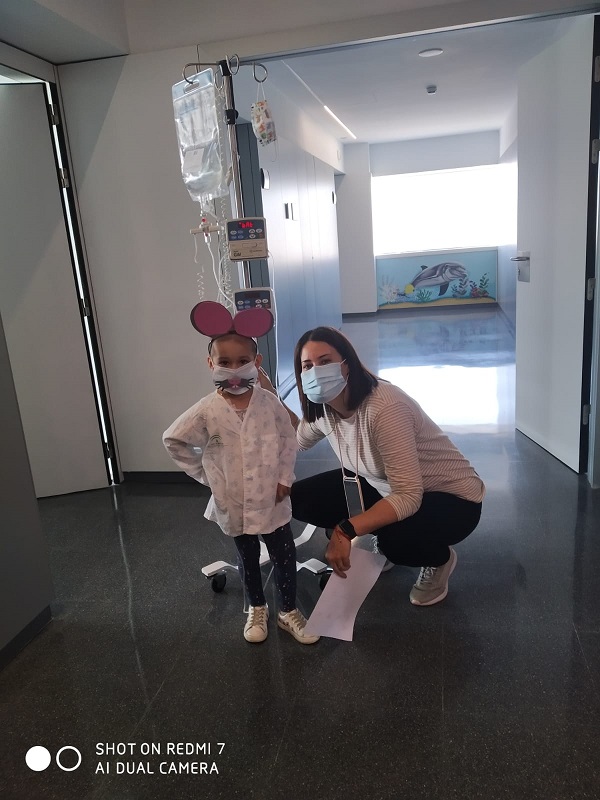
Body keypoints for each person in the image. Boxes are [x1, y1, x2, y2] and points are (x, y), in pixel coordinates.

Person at [262, 326, 485, 607]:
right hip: (382, 484)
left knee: (395, 543)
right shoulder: (325, 407)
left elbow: (409, 495)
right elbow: (297, 438)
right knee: (299, 499)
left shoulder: (385, 407)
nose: (316, 371)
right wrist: (267, 394)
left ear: (347, 364)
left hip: (450, 498)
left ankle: (438, 559)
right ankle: (389, 530)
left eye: (325, 361)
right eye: (307, 366)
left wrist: (346, 530)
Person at [162, 331, 319, 645]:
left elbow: (289, 440)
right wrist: (207, 475)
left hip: (272, 497)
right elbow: (173, 439)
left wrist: (285, 478)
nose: (234, 369)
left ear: (256, 362)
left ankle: (288, 611)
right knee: (247, 556)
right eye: (225, 362)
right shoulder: (207, 410)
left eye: (243, 361)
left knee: (284, 554)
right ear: (211, 364)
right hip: (233, 501)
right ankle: (256, 607)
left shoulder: (269, 403)